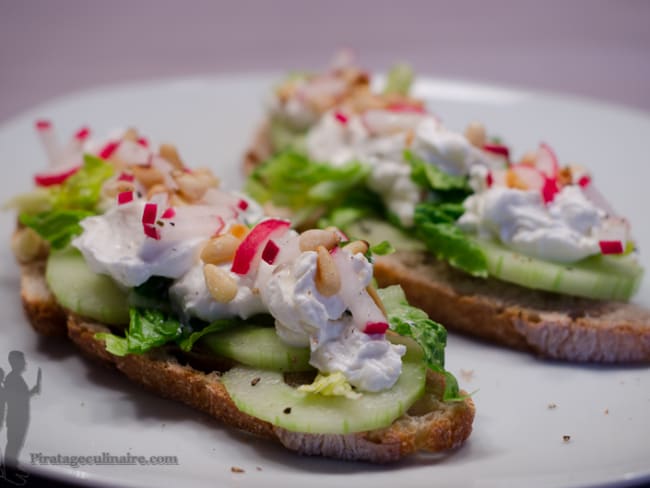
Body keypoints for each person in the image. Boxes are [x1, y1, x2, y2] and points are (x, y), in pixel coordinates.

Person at [4, 351, 40, 473]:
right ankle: (9, 470)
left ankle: (12, 467)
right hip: (16, 417)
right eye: (23, 361)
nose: (25, 363)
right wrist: (31, 392)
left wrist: (32, 392)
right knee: (14, 442)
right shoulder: (11, 378)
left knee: (17, 443)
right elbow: (14, 398)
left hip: (20, 416)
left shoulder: (15, 378)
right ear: (16, 363)